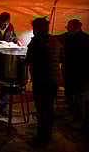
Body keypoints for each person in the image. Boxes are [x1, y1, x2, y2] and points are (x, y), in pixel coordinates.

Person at [25, 17, 64, 146]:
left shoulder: (36, 41)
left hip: (41, 80)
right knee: (49, 108)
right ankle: (48, 136)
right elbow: (62, 58)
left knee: (42, 110)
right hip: (54, 79)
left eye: (33, 28)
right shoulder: (55, 39)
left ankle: (41, 139)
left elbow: (28, 60)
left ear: (36, 28)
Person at [56, 19, 89, 128]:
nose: (67, 28)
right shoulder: (68, 36)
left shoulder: (85, 38)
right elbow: (56, 37)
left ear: (76, 27)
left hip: (81, 71)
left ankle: (80, 118)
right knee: (70, 92)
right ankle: (72, 114)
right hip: (69, 69)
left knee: (79, 94)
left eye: (69, 26)